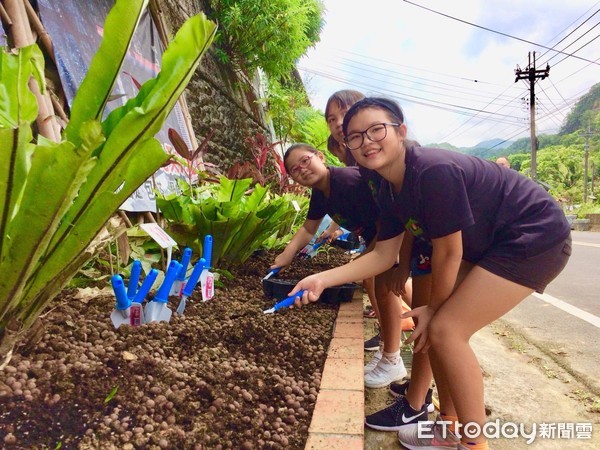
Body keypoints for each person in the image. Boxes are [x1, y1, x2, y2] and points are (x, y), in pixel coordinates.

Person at [290, 97, 571, 450]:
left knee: (445, 329)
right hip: (490, 243)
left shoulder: (431, 170)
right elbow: (383, 254)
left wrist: (435, 307)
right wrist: (322, 279)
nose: (367, 141)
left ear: (401, 131)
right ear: (348, 147)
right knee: (439, 332)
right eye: (356, 137)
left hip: (533, 234)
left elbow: (450, 251)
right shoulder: (387, 189)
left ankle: (473, 443)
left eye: (377, 130)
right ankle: (451, 425)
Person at [271, 143, 409, 387]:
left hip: (395, 234)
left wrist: (370, 254)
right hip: (379, 239)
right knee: (378, 283)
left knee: (391, 286)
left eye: (305, 161)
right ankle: (390, 349)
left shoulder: (346, 182)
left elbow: (385, 217)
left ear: (320, 156)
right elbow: (308, 228)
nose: (302, 169)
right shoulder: (321, 193)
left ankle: (399, 350)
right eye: (294, 169)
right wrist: (287, 254)